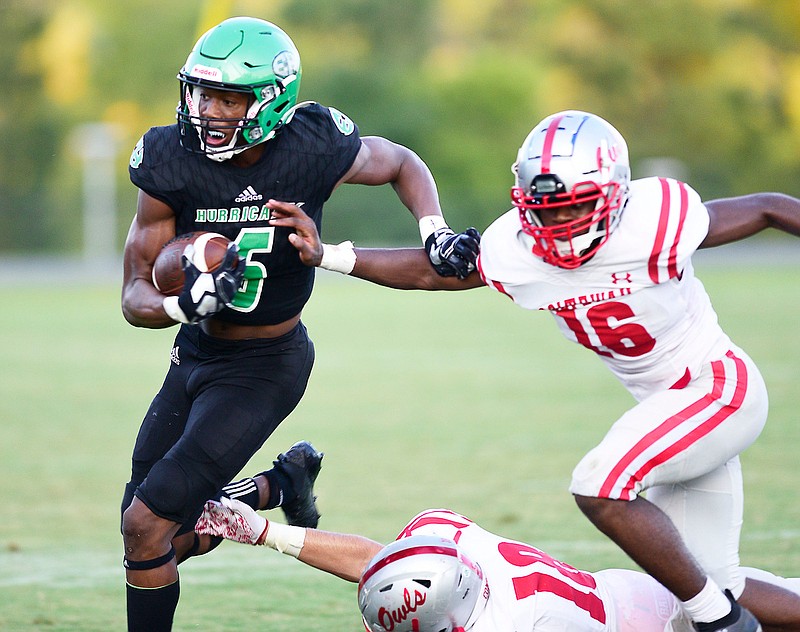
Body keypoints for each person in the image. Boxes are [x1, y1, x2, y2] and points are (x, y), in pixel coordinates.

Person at [268, 110, 800, 631]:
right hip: (667, 410)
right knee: (703, 584)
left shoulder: (653, 220)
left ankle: (725, 623)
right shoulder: (517, 249)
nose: (558, 226)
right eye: (545, 211)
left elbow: (769, 208)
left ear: (615, 195)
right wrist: (330, 255)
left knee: (602, 486)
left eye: (573, 209)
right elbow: (433, 274)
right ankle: (722, 611)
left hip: (716, 388)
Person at [119, 15, 479, 632]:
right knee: (148, 538)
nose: (210, 111)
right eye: (204, 94)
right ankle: (275, 489)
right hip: (196, 352)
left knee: (145, 526)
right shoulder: (168, 157)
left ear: (271, 102)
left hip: (266, 366)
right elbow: (133, 293)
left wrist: (435, 230)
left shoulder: (310, 145)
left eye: (230, 98)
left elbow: (399, 162)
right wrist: (185, 304)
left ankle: (266, 495)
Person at [195, 497, 800, 631]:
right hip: (620, 591)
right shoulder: (444, 540)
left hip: (639, 626)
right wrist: (266, 531)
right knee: (729, 591)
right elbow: (385, 563)